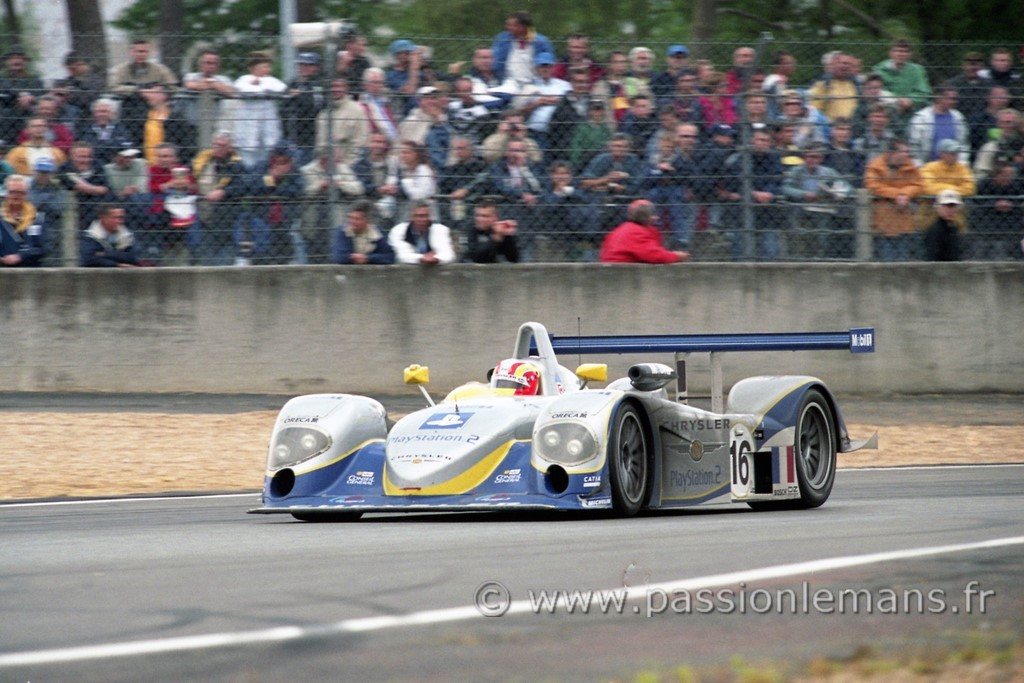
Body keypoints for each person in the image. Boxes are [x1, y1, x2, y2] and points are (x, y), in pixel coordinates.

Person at [301, 146, 365, 263]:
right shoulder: (308, 170)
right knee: (315, 256)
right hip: (315, 216)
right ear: (323, 160)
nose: (337, 164)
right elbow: (305, 193)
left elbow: (358, 188)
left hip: (338, 215)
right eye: (334, 161)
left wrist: (340, 184)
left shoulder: (342, 168)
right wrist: (321, 186)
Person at [863, 139, 924, 260]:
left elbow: (919, 185)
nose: (907, 155)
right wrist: (898, 194)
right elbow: (873, 185)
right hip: (883, 223)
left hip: (904, 222)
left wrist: (905, 194)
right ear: (892, 152)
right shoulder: (875, 166)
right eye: (903, 152)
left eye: (907, 152)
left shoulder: (910, 166)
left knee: (903, 261)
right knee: (886, 260)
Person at [192, 131, 247, 264]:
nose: (217, 148)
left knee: (223, 259)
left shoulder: (237, 165)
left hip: (226, 216)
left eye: (222, 145)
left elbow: (243, 186)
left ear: (230, 148)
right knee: (203, 255)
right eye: (215, 145)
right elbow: (193, 179)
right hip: (203, 213)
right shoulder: (203, 161)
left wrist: (224, 192)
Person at [108, 38, 178, 144]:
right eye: (138, 51)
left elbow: (173, 87)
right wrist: (139, 91)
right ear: (131, 52)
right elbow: (113, 87)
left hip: (153, 114)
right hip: (129, 114)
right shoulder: (121, 70)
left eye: (144, 51)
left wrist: (158, 91)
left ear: (148, 53)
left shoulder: (159, 70)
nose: (141, 54)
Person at [146, 142, 201, 265]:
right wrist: (169, 185)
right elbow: (151, 188)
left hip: (183, 203)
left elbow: (195, 190)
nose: (162, 159)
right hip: (162, 205)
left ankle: (194, 251)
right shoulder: (153, 170)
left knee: (192, 217)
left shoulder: (182, 170)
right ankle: (155, 251)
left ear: (175, 158)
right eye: (159, 156)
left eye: (166, 156)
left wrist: (187, 185)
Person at [231, 52, 288, 168]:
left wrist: (260, 85)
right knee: (248, 164)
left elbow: (282, 89)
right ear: (253, 68)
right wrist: (263, 89)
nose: (267, 70)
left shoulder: (271, 80)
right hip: (248, 131)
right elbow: (243, 89)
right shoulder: (244, 79)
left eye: (268, 67)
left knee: (266, 163)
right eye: (263, 67)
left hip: (267, 131)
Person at [599, 198, 688, 263]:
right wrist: (676, 256)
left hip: (617, 269)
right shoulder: (637, 232)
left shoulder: (623, 228)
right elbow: (655, 255)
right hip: (621, 272)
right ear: (649, 217)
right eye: (652, 214)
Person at [182, 49, 236, 150]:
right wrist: (214, 86)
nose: (210, 66)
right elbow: (189, 85)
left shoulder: (223, 79)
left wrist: (212, 83)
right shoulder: (191, 76)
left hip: (215, 128)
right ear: (200, 64)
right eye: (207, 63)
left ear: (218, 66)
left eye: (214, 63)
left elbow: (231, 92)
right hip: (191, 126)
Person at [520, 52, 571, 155]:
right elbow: (521, 111)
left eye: (548, 66)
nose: (545, 69)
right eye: (542, 66)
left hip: (560, 132)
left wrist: (555, 100)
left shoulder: (564, 85)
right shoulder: (528, 87)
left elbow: (571, 101)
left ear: (553, 67)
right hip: (536, 132)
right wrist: (538, 103)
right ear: (536, 68)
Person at [872, 39, 932, 125]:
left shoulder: (917, 70)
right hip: (885, 113)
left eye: (905, 52)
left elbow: (924, 92)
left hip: (911, 112)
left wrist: (910, 100)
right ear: (891, 53)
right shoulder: (879, 69)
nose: (901, 54)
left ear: (910, 54)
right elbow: (875, 91)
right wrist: (896, 101)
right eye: (898, 51)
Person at [282, 51, 326, 167]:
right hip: (294, 136)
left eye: (308, 65)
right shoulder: (293, 84)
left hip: (313, 136)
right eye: (301, 65)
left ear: (316, 67)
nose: (303, 68)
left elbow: (314, 107)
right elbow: (283, 109)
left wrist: (300, 97)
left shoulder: (319, 85)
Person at [973, 162, 1024, 259]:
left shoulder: (1015, 185)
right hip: (988, 219)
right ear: (997, 175)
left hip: (1010, 219)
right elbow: (977, 202)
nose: (1009, 178)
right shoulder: (984, 184)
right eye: (1006, 175)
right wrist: (994, 204)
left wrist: (1011, 205)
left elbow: (1019, 201)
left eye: (1010, 175)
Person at [907, 86, 969, 165]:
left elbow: (963, 143)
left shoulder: (958, 117)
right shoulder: (921, 118)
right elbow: (914, 145)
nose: (954, 102)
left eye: (955, 99)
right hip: (927, 166)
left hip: (953, 167)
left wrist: (962, 163)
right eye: (951, 98)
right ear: (939, 98)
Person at [140, 82, 198, 166]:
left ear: (164, 95)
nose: (150, 95)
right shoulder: (146, 116)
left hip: (169, 166)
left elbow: (187, 144)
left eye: (154, 92)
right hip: (149, 165)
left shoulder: (175, 118)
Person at [491, 11, 555, 86]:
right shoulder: (502, 39)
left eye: (512, 25)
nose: (508, 27)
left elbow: (547, 65)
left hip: (533, 84)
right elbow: (494, 61)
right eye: (507, 25)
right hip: (507, 83)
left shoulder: (542, 42)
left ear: (522, 27)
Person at [316, 77, 369, 167]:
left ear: (346, 88)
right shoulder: (323, 114)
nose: (335, 89)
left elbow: (360, 142)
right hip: (325, 165)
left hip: (350, 165)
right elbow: (320, 145)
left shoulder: (357, 110)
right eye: (332, 86)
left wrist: (346, 165)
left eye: (338, 86)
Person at [397, 85, 451, 170]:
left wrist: (439, 120)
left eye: (434, 98)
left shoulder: (446, 120)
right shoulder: (411, 121)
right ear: (420, 101)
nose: (432, 102)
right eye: (427, 98)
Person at [59, 141, 110, 231]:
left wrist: (86, 187)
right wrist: (95, 189)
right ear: (72, 157)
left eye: (88, 157)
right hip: (76, 209)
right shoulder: (64, 168)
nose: (85, 160)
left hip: (97, 208)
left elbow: (105, 189)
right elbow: (81, 187)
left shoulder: (97, 166)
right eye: (81, 157)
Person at [0, 47, 46, 143]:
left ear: (25, 61)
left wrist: (32, 98)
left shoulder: (35, 80)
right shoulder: (2, 79)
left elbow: (42, 97)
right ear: (7, 61)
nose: (16, 61)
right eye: (12, 58)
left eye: (20, 58)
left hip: (30, 116)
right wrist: (19, 96)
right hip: (7, 120)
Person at [388, 199, 456, 264]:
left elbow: (448, 255)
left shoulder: (441, 230)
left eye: (425, 216)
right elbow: (402, 256)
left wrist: (436, 259)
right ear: (411, 217)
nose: (422, 219)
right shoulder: (398, 230)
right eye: (418, 216)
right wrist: (423, 258)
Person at [0, 174, 45, 267]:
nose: (16, 196)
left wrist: (20, 257)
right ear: (6, 193)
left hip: (30, 271)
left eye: (20, 192)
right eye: (12, 192)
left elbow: (42, 247)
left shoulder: (36, 218)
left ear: (26, 194)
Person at [331, 199, 395, 265]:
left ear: (368, 221)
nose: (352, 221)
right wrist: (356, 258)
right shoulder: (343, 231)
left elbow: (390, 257)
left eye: (357, 219)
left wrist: (368, 258)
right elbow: (339, 257)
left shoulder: (377, 233)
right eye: (350, 217)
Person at [27, 157, 65, 265]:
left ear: (51, 173)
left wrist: (39, 202)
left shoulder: (58, 188)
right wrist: (47, 199)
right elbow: (29, 205)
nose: (44, 175)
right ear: (36, 172)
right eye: (41, 172)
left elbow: (58, 208)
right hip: (31, 226)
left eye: (46, 172)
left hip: (52, 229)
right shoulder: (28, 187)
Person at [79, 203, 140, 267]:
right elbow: (89, 259)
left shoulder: (127, 235)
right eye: (115, 218)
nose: (120, 221)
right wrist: (117, 264)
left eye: (121, 217)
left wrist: (104, 254)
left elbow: (133, 257)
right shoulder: (90, 235)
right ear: (103, 218)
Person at [75, 97, 133, 165]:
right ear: (94, 113)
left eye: (105, 111)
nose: (101, 114)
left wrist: (99, 147)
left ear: (112, 113)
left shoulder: (122, 130)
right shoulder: (84, 131)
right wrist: (112, 147)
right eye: (99, 111)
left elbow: (128, 151)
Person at [807, 52, 860, 122]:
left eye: (849, 64)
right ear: (833, 65)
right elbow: (814, 111)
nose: (846, 66)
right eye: (842, 63)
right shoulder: (823, 85)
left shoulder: (856, 86)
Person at [465, 198, 520, 263]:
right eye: (477, 215)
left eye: (485, 216)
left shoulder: (503, 229)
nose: (480, 219)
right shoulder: (472, 230)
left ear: (495, 217)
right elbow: (476, 258)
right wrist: (495, 238)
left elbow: (514, 258)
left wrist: (508, 237)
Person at [569, 98, 614, 173]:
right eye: (595, 110)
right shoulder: (582, 128)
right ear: (589, 112)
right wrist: (577, 163)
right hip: (586, 162)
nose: (598, 113)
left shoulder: (606, 129)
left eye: (600, 110)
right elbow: (576, 148)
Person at [358, 67, 399, 142]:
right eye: (374, 82)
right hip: (376, 143)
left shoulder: (387, 102)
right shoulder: (361, 106)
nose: (378, 85)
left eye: (380, 82)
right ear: (365, 84)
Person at [922, 189, 964, 261]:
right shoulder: (935, 230)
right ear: (938, 208)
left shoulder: (954, 227)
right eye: (946, 206)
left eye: (953, 206)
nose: (950, 210)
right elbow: (932, 257)